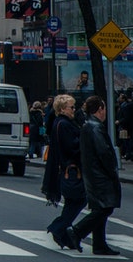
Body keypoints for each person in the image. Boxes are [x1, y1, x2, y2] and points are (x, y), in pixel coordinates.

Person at [66, 95, 121, 255]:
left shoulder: (88, 125)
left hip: (92, 174)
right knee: (105, 208)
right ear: (99, 109)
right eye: (104, 108)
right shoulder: (95, 127)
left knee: (100, 207)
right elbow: (103, 152)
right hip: (100, 175)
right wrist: (112, 170)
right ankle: (77, 231)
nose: (105, 113)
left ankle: (99, 244)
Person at [43, 94, 85, 250]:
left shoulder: (61, 123)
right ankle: (58, 228)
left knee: (72, 202)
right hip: (71, 169)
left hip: (67, 169)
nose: (74, 110)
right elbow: (72, 147)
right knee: (79, 199)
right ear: (62, 109)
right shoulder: (64, 124)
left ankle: (64, 235)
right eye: (71, 107)